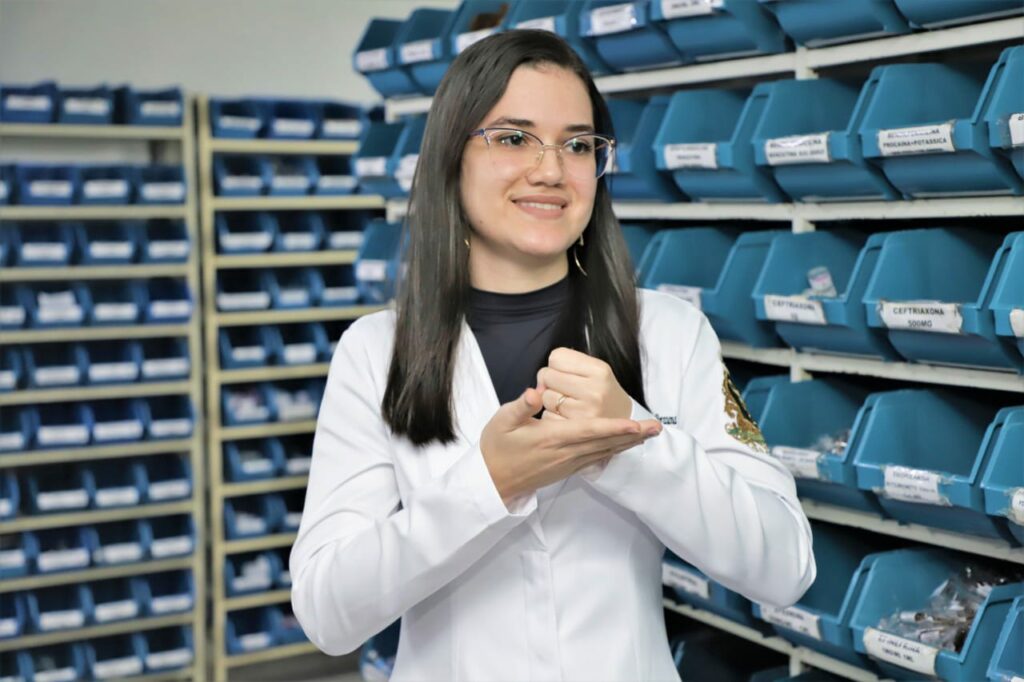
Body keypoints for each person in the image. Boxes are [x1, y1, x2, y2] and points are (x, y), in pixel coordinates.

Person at [291, 29, 815, 681]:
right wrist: (487, 484)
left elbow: (784, 567)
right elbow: (327, 612)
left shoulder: (669, 333)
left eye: (577, 144)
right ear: (452, 156)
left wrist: (633, 443)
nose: (550, 170)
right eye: (514, 138)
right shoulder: (376, 351)